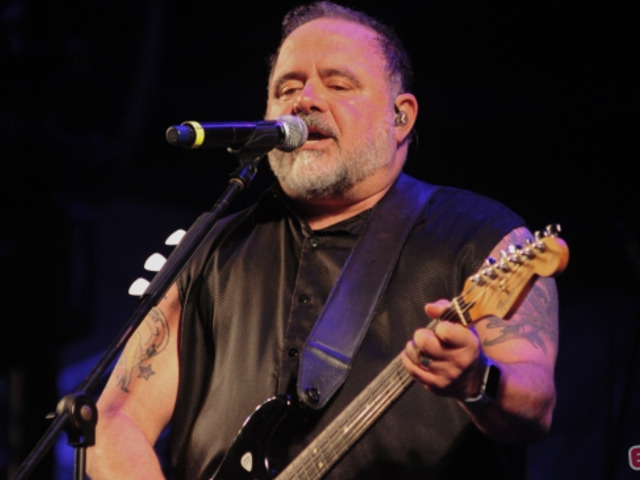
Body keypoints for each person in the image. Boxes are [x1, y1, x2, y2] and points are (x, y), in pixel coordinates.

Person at [86, 2, 560, 479]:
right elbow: (114, 420)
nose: (305, 101)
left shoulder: (481, 235)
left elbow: (535, 404)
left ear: (400, 117)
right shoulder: (210, 247)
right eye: (287, 88)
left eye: (338, 85)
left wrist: (478, 379)